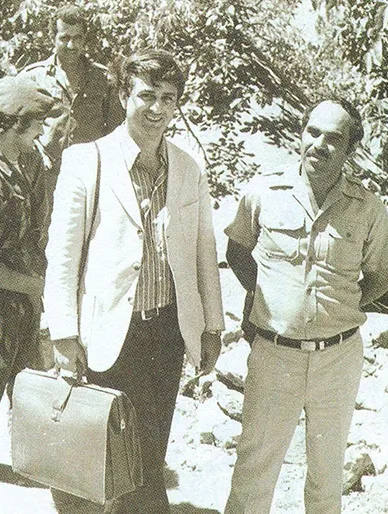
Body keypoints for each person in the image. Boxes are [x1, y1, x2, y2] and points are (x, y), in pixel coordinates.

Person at [44, 49, 225, 513]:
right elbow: (62, 256)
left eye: (168, 98)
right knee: (102, 460)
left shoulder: (187, 168)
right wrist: (63, 334)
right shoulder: (87, 160)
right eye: (147, 95)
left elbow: (205, 251)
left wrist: (211, 325)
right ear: (125, 95)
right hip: (106, 335)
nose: (157, 109)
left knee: (147, 457)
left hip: (166, 334)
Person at [224, 98, 388, 514]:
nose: (319, 145)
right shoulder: (263, 193)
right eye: (313, 132)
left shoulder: (367, 207)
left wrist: (336, 307)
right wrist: (269, 298)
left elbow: (378, 278)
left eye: (333, 138)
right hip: (275, 356)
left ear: (350, 149)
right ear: (301, 133)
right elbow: (237, 252)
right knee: (254, 471)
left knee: (327, 475)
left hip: (338, 358)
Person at [21, 4, 124, 194]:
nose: (72, 45)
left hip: (89, 175)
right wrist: (37, 150)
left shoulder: (103, 78)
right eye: (65, 38)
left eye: (78, 38)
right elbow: (17, 128)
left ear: (84, 39)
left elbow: (115, 129)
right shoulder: (32, 78)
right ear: (52, 38)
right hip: (46, 175)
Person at [0, 75, 56, 400]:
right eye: (38, 124)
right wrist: (34, 286)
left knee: (26, 408)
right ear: (15, 123)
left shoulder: (21, 166)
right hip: (9, 305)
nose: (42, 132)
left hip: (21, 313)